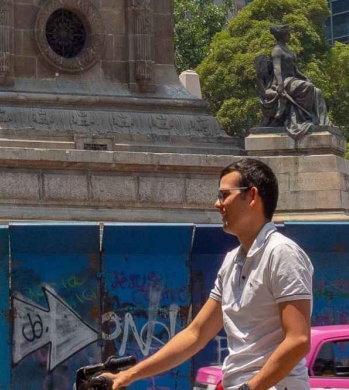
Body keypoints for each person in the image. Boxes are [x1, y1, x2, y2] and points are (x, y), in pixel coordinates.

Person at [106, 159, 313, 390]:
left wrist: (251, 388)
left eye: (225, 195)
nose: (217, 204)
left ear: (252, 196)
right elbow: (196, 334)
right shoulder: (231, 261)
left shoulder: (282, 253)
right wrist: (128, 375)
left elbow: (298, 340)